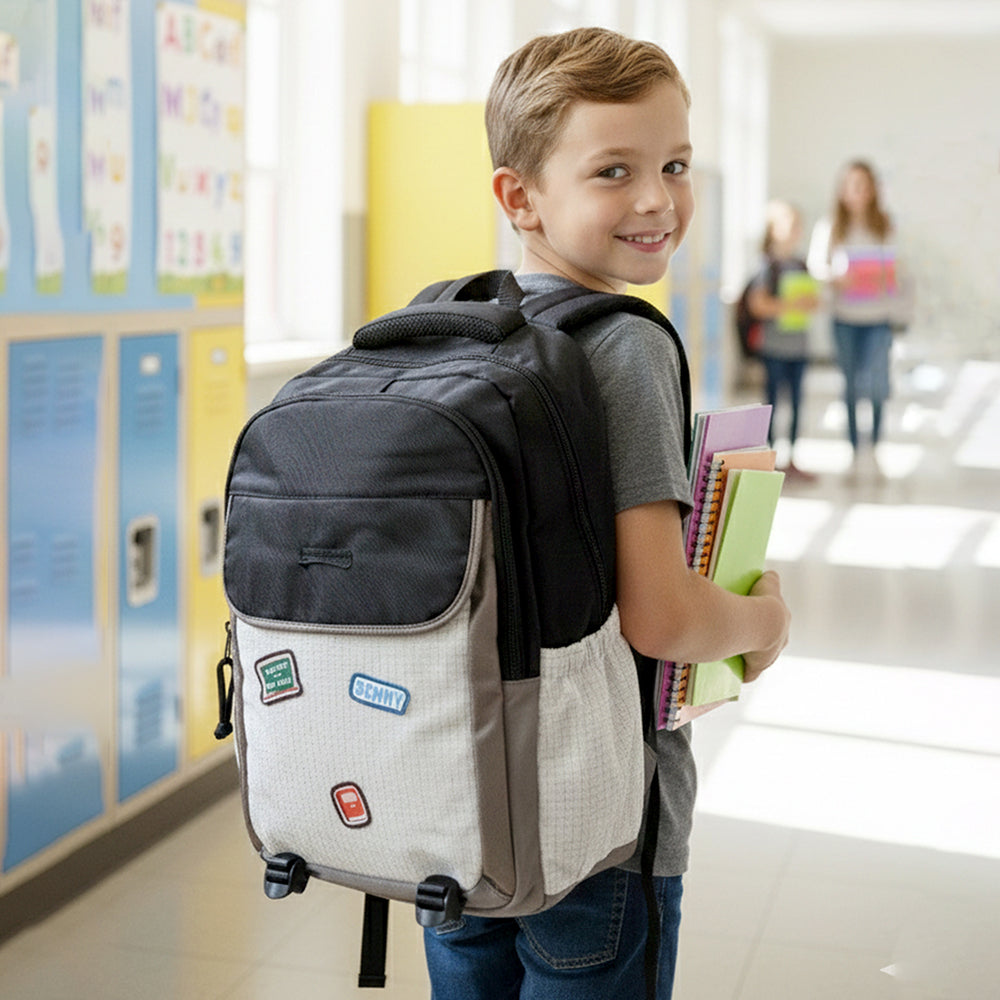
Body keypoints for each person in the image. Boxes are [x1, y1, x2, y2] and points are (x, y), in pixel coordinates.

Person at [421, 27, 791, 1000]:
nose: (657, 199)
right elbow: (660, 617)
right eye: (613, 171)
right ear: (520, 197)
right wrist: (762, 620)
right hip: (596, 825)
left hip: (452, 805)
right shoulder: (624, 346)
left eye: (675, 164)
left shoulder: (452, 326)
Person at [807, 160, 900, 469]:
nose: (858, 192)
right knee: (850, 383)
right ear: (843, 190)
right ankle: (852, 445)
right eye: (852, 185)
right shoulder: (830, 225)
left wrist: (883, 276)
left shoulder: (884, 224)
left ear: (873, 190)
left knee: (877, 384)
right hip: (844, 317)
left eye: (864, 185)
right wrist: (837, 278)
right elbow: (816, 267)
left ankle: (875, 443)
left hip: (878, 317)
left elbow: (896, 266)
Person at [747, 199, 820, 479]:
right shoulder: (768, 266)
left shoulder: (801, 265)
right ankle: (769, 459)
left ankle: (792, 458)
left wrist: (807, 303)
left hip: (799, 348)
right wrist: (790, 306)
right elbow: (757, 305)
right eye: (789, 224)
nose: (795, 230)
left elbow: (814, 302)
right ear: (773, 229)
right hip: (774, 348)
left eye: (797, 225)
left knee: (798, 404)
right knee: (773, 404)